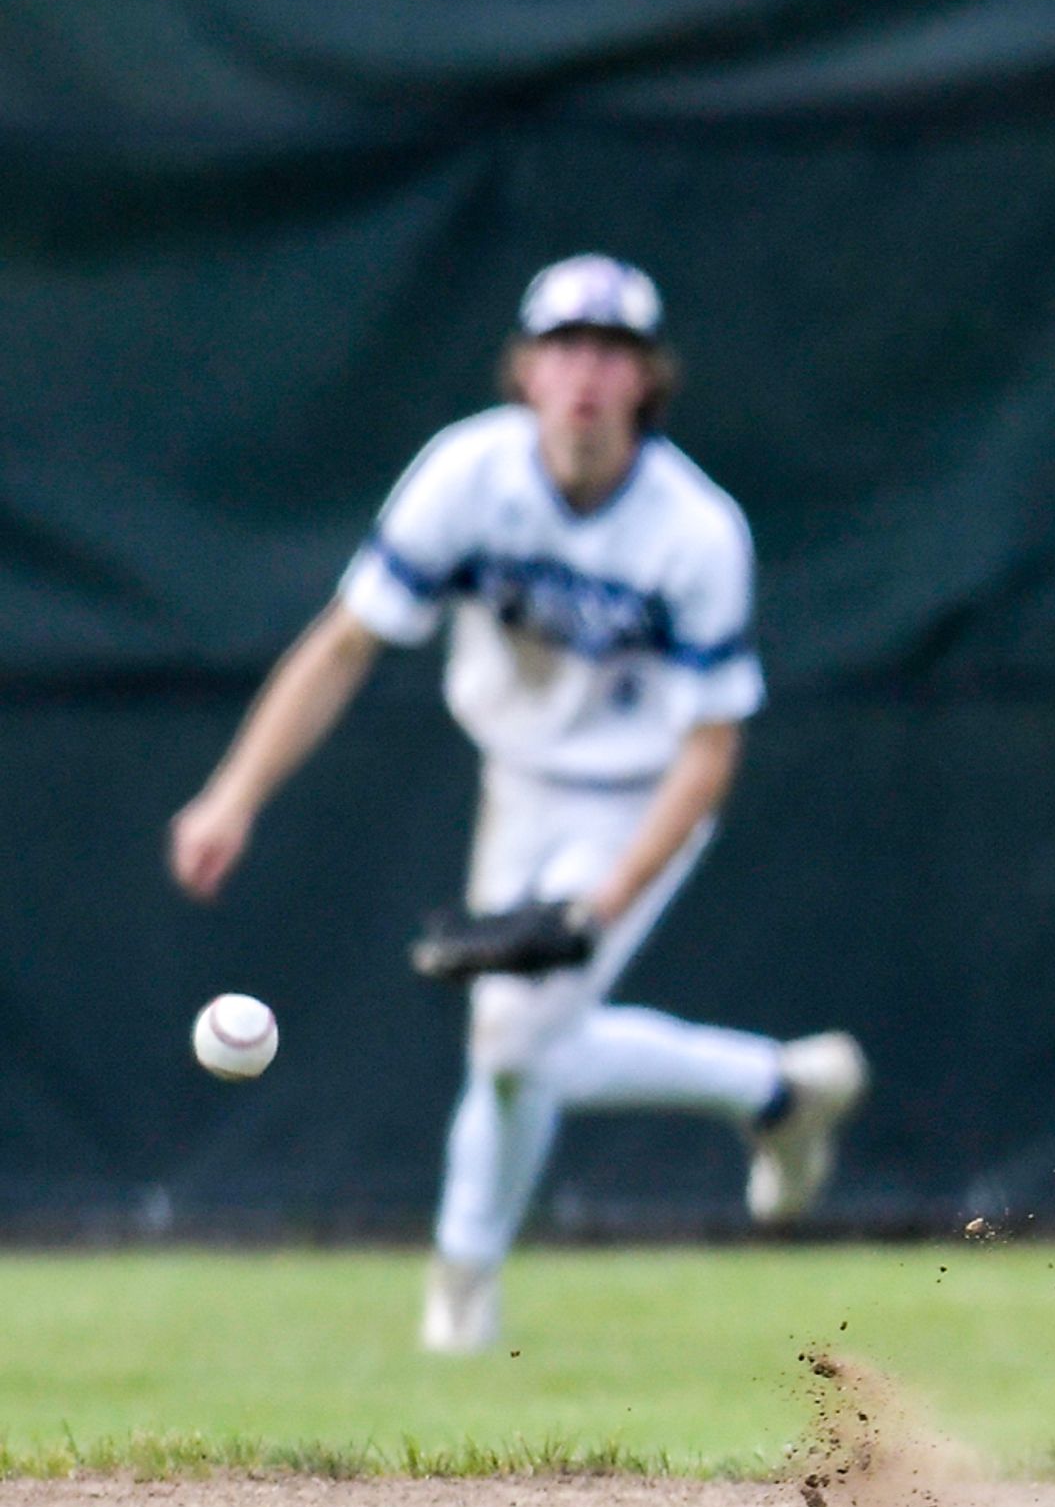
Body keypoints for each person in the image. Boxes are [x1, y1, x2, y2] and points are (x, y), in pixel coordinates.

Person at [168, 255, 865, 1354]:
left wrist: (602, 902)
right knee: (515, 1045)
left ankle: (462, 1294)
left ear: (647, 381)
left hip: (643, 805)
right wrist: (232, 794)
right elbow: (346, 642)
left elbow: (710, 756)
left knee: (514, 1043)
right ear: (527, 370)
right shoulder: (467, 477)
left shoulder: (695, 530)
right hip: (522, 785)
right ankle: (776, 1088)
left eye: (613, 352)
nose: (586, 372)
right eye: (566, 347)